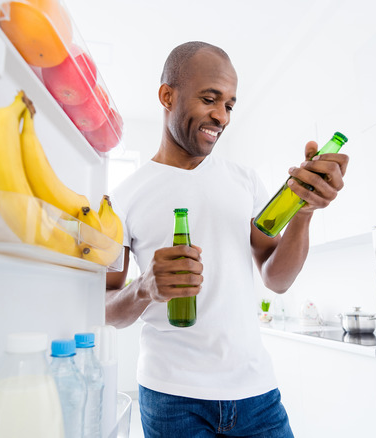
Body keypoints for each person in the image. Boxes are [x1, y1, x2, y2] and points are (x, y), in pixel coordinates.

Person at [105, 41, 349, 437]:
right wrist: (143, 289)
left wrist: (303, 214)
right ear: (167, 95)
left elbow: (278, 278)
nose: (222, 116)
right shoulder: (122, 199)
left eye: (230, 105)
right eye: (209, 99)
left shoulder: (245, 181)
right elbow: (104, 307)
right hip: (171, 397)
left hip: (256, 393)